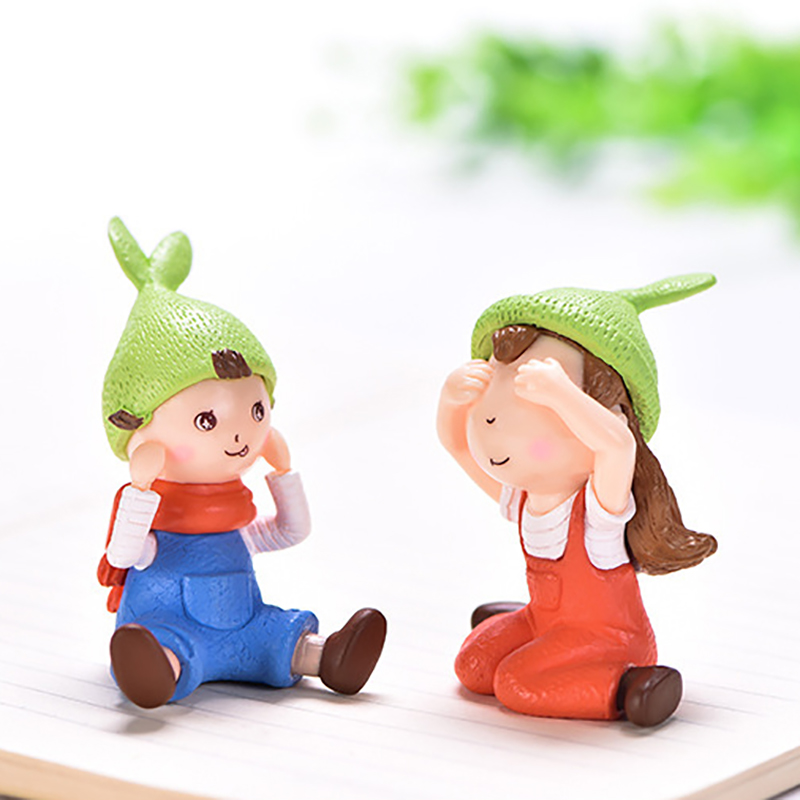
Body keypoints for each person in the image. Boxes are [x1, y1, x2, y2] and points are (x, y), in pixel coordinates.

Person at [98, 217, 386, 709]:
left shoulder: (235, 519)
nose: (240, 435)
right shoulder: (152, 521)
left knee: (274, 632)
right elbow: (124, 555)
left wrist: (283, 474)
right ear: (138, 430)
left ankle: (328, 657)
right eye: (206, 420)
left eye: (256, 412)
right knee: (171, 644)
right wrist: (142, 491)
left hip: (243, 622)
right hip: (170, 623)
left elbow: (291, 532)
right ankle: (153, 668)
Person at [437, 275, 717, 726]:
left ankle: (628, 686)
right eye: (491, 407)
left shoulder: (599, 509)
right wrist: (451, 402)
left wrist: (561, 394)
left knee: (514, 683)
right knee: (473, 666)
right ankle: (523, 630)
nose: (495, 426)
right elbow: (458, 448)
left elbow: (617, 446)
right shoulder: (526, 498)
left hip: (608, 639)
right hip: (544, 623)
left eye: (528, 410)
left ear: (611, 411)